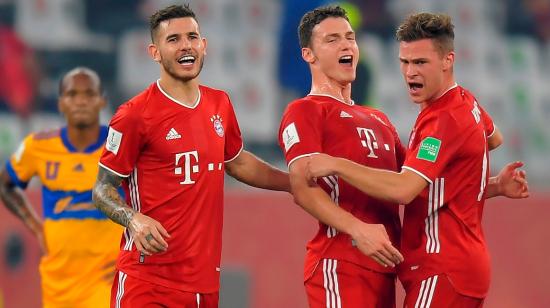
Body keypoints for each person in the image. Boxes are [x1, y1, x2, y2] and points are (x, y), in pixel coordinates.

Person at [305, 13, 529, 307]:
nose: (410, 72)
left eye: (420, 62)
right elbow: (492, 138)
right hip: (461, 267)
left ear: (448, 60)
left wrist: (336, 164)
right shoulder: (465, 101)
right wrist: (494, 185)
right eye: (404, 62)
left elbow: (403, 189)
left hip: (442, 267)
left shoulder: (442, 120)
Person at [91, 4, 289, 307]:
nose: (186, 45)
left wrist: (292, 183)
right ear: (155, 52)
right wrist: (133, 220)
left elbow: (236, 162)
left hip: (204, 286)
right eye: (173, 39)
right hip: (148, 282)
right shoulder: (134, 115)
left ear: (204, 45)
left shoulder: (219, 103)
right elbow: (102, 188)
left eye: (192, 37)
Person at [277, 6, 404, 308]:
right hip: (340, 262)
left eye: (350, 37)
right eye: (332, 40)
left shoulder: (380, 119)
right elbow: (301, 185)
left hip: (384, 267)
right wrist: (358, 229)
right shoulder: (305, 110)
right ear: (309, 54)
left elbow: (412, 183)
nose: (346, 45)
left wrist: (490, 185)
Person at [0, 67, 122, 307]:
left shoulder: (121, 147)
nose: (81, 102)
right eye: (72, 94)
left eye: (89, 94)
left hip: (106, 282)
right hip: (58, 284)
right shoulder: (38, 147)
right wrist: (35, 226)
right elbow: (6, 185)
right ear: (61, 104)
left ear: (102, 102)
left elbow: (156, 195)